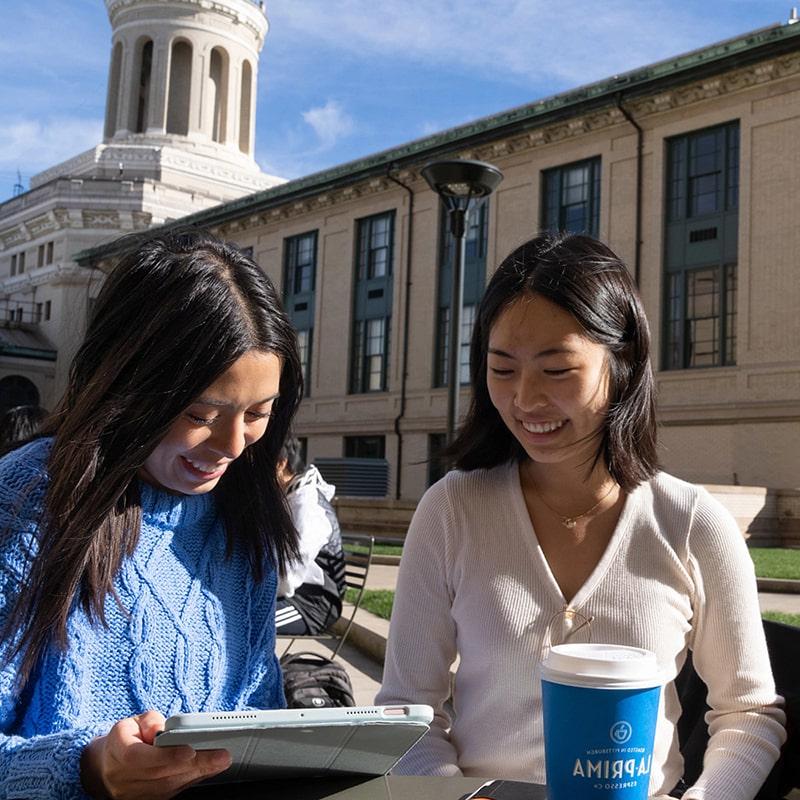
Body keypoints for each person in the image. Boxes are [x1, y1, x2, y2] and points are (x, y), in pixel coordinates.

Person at [376, 233, 786, 799]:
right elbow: (406, 709)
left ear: (622, 363)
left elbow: (748, 713)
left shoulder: (691, 522)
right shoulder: (453, 510)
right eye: (502, 370)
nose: (524, 400)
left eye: (557, 370)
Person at [0, 229, 302, 800]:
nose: (234, 445)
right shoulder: (26, 501)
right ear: (128, 384)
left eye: (259, 413)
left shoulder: (244, 518)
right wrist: (85, 769)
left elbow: (258, 714)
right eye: (199, 412)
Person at [275, 436, 346, 635]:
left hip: (312, 605)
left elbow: (287, 577)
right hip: (293, 595)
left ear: (281, 464)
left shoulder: (307, 505)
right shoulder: (288, 497)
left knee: (242, 618)